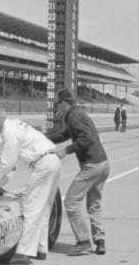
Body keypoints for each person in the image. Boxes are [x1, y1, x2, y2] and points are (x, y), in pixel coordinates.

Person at [0, 106, 61, 264]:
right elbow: (0, 141)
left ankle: (24, 252)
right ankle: (40, 248)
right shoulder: (12, 125)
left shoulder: (10, 131)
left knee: (30, 207)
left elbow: (8, 163)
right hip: (52, 160)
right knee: (43, 208)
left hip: (44, 164)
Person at [46, 89, 110, 256]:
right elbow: (64, 135)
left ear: (64, 103)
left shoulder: (73, 117)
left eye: (57, 104)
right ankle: (100, 241)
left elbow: (86, 139)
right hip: (103, 163)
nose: (56, 108)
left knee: (71, 202)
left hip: (92, 165)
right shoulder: (76, 114)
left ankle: (83, 242)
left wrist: (65, 151)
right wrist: (44, 137)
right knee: (94, 204)